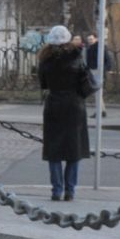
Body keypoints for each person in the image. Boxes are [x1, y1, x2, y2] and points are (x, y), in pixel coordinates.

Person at [38, 24, 93, 201]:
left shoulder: (45, 60)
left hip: (54, 105)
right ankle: (70, 191)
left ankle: (56, 190)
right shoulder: (77, 57)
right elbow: (85, 83)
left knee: (54, 151)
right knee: (74, 150)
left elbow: (43, 84)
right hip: (75, 106)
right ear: (68, 40)